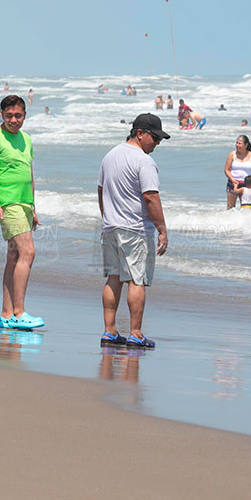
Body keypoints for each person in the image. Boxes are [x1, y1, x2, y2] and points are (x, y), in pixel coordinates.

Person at [97, 113, 168, 349]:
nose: (157, 143)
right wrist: (162, 229)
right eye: (155, 137)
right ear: (140, 133)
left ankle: (109, 331)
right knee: (137, 280)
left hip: (111, 226)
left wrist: (107, 216)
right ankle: (135, 333)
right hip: (135, 228)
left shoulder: (110, 156)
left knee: (114, 277)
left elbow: (100, 189)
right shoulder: (143, 161)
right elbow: (150, 196)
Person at [0, 95, 43, 330]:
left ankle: (6, 315)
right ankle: (19, 312)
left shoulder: (27, 139)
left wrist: (33, 207)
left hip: (25, 204)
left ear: (25, 115)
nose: (13, 120)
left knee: (14, 257)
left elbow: (29, 174)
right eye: (9, 116)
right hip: (8, 203)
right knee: (28, 252)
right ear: (2, 115)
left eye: (18, 116)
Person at [224, 134, 251, 209]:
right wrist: (232, 180)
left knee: (246, 207)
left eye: (239, 143)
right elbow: (226, 169)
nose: (237, 145)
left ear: (246, 145)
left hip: (247, 185)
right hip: (233, 183)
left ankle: (244, 221)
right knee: (230, 207)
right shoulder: (232, 154)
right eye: (236, 143)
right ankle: (231, 221)